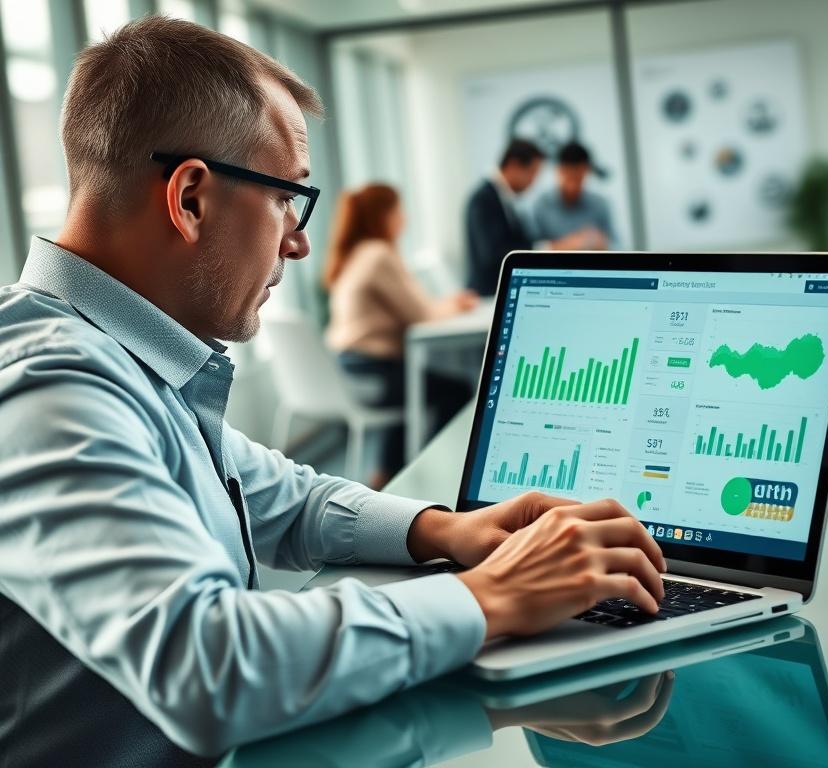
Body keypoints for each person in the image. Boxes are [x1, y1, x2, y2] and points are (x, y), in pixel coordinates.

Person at [0, 16, 665, 761]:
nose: (298, 239)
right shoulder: (50, 387)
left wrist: (447, 531)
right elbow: (209, 665)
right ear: (190, 198)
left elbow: (281, 495)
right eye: (288, 197)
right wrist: (491, 596)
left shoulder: (130, 361)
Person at [323, 183, 477, 488]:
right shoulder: (378, 253)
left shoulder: (357, 253)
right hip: (372, 372)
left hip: (350, 367)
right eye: (398, 210)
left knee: (412, 383)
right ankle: (422, 466)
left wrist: (445, 305)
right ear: (383, 215)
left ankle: (384, 475)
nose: (404, 219)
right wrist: (456, 305)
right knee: (456, 389)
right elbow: (422, 315)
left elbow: (416, 309)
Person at [464, 138, 595, 296]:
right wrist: (550, 248)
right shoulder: (483, 199)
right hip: (487, 296)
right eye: (533, 173)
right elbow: (493, 254)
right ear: (514, 165)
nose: (533, 181)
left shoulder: (504, 198)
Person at [533, 141, 616, 249]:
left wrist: (602, 243)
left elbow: (616, 245)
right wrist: (572, 244)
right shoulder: (541, 204)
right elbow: (531, 248)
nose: (572, 186)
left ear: (587, 172)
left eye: (578, 179)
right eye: (569, 178)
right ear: (559, 171)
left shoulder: (600, 204)